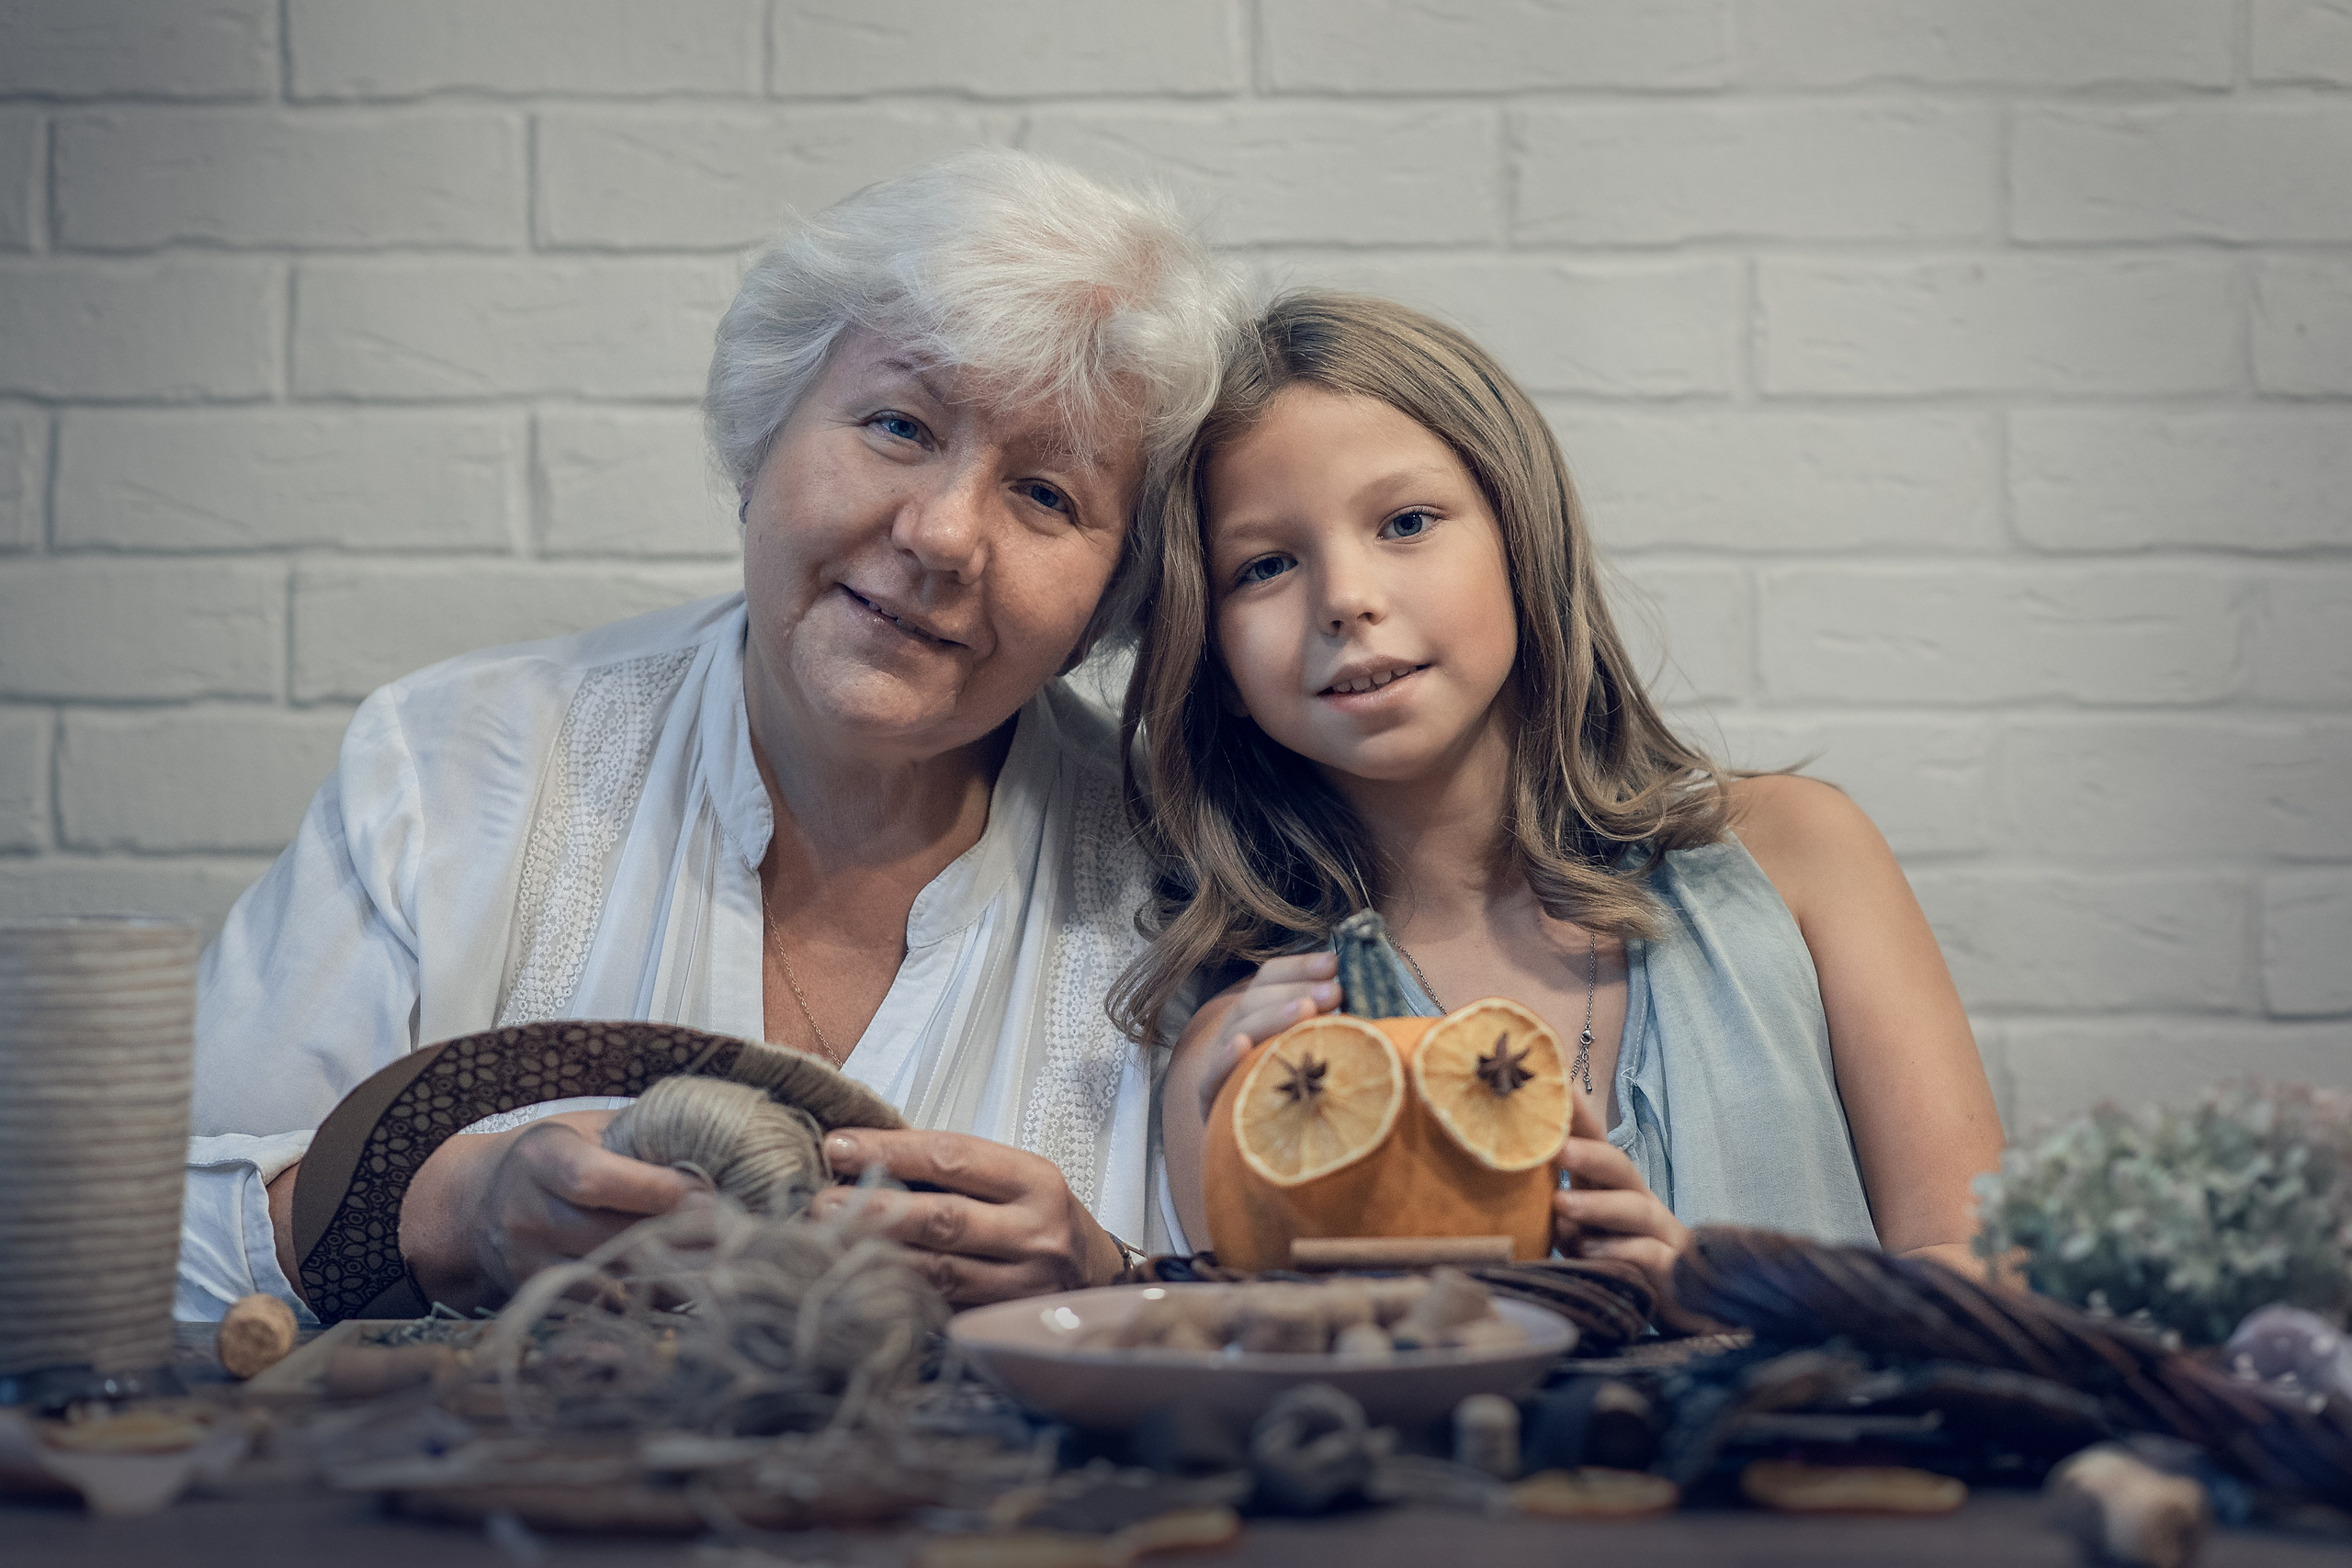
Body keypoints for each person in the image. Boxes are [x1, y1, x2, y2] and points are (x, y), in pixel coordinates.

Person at [176, 151, 1243, 1323]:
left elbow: (1317, 1326)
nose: (942, 533)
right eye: (898, 424)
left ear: (1115, 591)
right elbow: (111, 1242)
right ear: (763, 435)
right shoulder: (455, 765)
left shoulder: (1188, 889)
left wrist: (1114, 1287)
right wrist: (448, 1212)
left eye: (1047, 495)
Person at [1118, 292, 2005, 1300]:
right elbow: (1310, 1388)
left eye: (1406, 522)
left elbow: (1991, 1274)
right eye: (1265, 565)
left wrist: (1715, 1293)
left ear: (1520, 542)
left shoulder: (1799, 853)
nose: (1345, 599)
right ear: (1211, 656)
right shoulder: (1250, 1046)